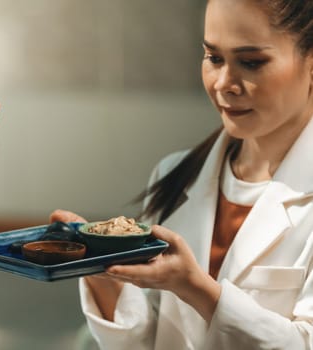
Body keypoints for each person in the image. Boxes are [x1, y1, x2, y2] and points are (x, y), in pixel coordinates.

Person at [51, 0, 313, 348]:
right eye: (214, 58)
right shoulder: (175, 173)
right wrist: (105, 276)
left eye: (251, 62)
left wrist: (196, 289)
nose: (224, 83)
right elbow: (150, 340)